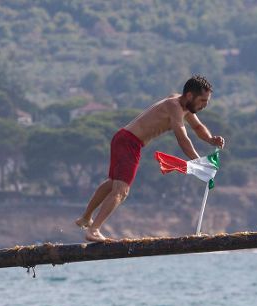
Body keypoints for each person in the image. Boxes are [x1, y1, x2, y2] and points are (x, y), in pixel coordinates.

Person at [75, 75, 225, 242]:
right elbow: (183, 138)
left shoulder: (182, 105)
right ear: (190, 95)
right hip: (129, 143)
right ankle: (94, 230)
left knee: (112, 183)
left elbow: (197, 127)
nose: (204, 105)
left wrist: (211, 139)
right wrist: (200, 163)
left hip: (122, 138)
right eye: (202, 101)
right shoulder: (173, 105)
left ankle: (86, 218)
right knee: (122, 191)